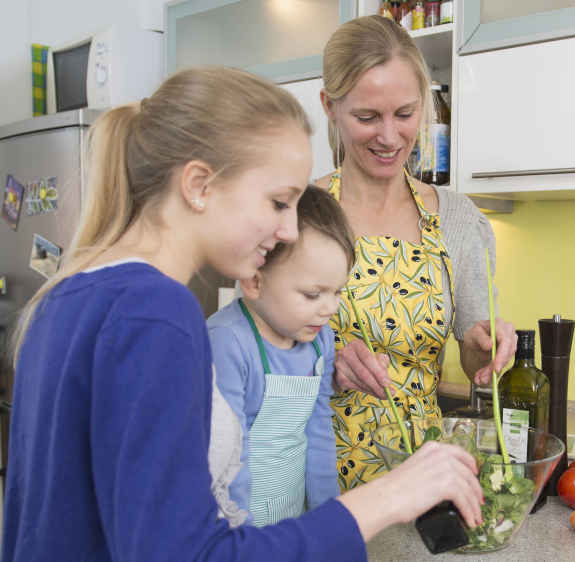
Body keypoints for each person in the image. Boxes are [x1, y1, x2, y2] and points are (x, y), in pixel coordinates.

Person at [2, 66, 482, 562]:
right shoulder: (155, 314)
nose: (291, 230)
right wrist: (390, 495)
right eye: (279, 202)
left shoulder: (67, 294)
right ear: (199, 185)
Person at [316, 15, 517, 488]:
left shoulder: (458, 219)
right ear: (330, 107)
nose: (389, 137)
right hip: (313, 479)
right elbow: (255, 359)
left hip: (417, 478)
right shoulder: (301, 214)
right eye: (367, 117)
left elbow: (475, 365)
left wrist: (481, 350)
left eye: (405, 114)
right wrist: (326, 362)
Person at [207, 186, 366, 527]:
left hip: (290, 519)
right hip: (238, 529)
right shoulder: (228, 343)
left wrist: (329, 520)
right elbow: (226, 460)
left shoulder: (320, 338)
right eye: (312, 294)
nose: (329, 308)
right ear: (254, 281)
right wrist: (244, 539)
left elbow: (319, 430)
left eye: (338, 291)